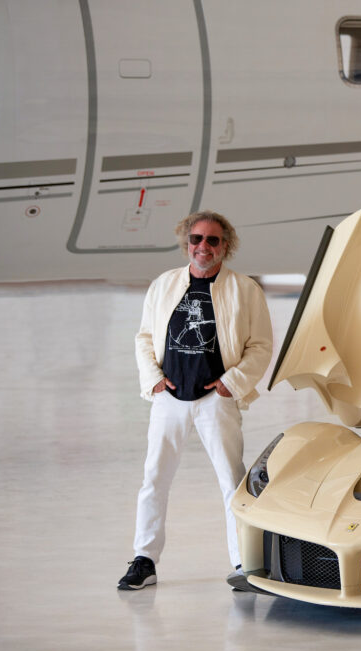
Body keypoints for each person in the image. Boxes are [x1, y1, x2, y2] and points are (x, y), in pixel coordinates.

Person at [118, 210, 273, 590]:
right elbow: (144, 337)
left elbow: (261, 346)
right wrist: (154, 381)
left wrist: (230, 383)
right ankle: (144, 560)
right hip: (169, 399)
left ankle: (244, 563)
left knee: (232, 482)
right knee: (154, 478)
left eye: (213, 240)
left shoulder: (245, 290)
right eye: (197, 239)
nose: (203, 246)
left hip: (215, 401)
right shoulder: (164, 284)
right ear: (187, 243)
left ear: (226, 246)